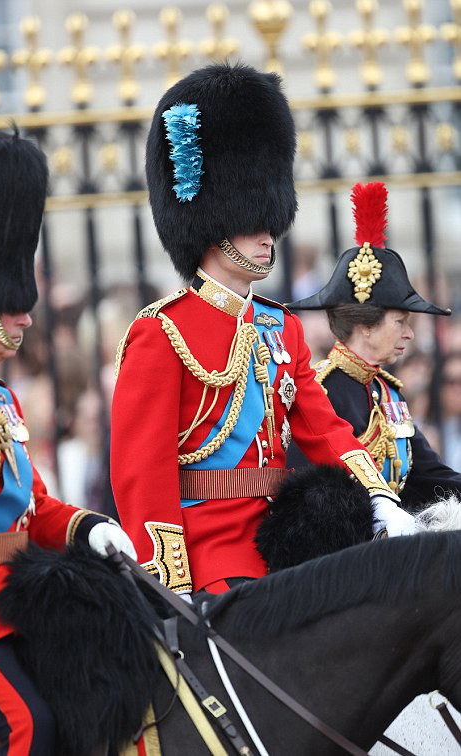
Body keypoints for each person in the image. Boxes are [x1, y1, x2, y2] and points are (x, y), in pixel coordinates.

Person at [111, 63, 411, 599]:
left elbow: (323, 430)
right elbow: (142, 475)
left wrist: (377, 496)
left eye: (269, 221)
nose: (267, 236)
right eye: (252, 222)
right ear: (210, 224)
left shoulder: (281, 326)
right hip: (210, 563)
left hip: (284, 550)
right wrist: (168, 582)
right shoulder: (161, 332)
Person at [0, 129, 136, 756]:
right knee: (28, 725)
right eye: (12, 304)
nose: (26, 315)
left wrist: (88, 529)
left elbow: (37, 507)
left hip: (16, 604)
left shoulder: (4, 401)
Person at [287, 181, 461, 510]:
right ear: (366, 326)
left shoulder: (388, 391)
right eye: (400, 322)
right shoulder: (321, 389)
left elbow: (430, 474)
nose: (409, 334)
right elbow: (307, 494)